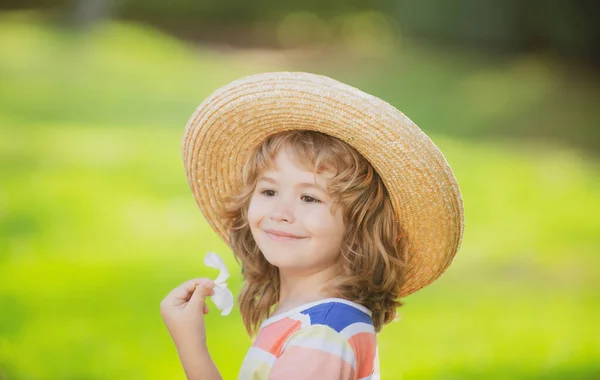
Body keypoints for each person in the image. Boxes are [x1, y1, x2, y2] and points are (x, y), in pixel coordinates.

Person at [160, 72, 465, 380]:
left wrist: (191, 346)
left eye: (309, 197)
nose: (281, 212)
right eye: (268, 191)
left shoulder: (321, 337)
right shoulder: (314, 320)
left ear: (359, 225)